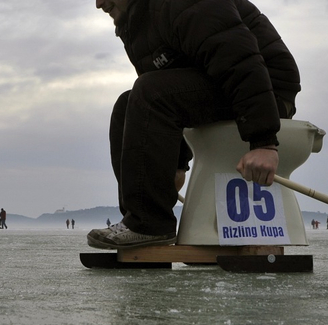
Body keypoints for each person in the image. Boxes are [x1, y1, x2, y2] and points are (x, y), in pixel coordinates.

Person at [88, 0, 300, 249]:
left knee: (148, 92)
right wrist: (174, 164)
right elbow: (178, 89)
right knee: (127, 104)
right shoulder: (136, 22)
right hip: (223, 84)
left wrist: (264, 142)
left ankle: (149, 225)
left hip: (269, 88)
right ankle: (138, 223)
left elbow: (240, 61)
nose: (99, 3)